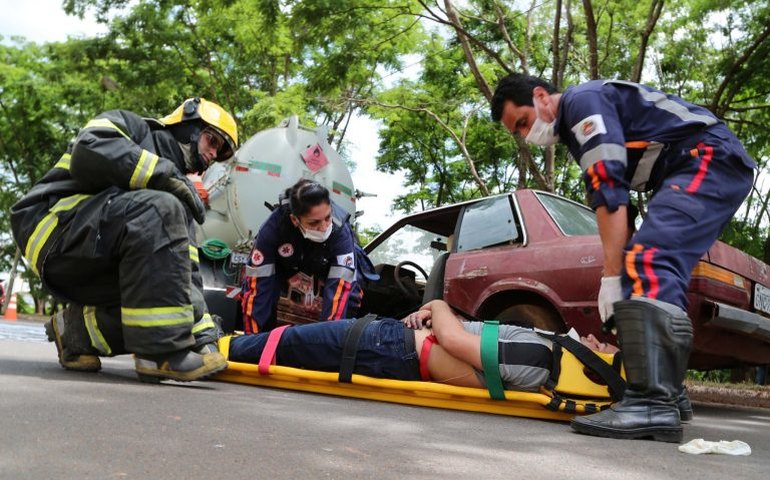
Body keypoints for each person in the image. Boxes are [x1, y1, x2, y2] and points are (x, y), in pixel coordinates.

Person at [491, 74, 756, 442]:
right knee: (650, 267)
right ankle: (668, 391)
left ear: (540, 96)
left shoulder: (582, 104)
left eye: (522, 121)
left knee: (650, 259)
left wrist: (612, 278)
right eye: (517, 132)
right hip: (698, 164)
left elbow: (609, 189)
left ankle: (651, 403)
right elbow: (618, 211)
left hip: (707, 157)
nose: (526, 134)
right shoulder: (576, 130)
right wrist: (616, 276)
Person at [11, 97, 238, 383]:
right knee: (160, 207)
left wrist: (204, 336)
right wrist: (164, 175)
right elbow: (89, 150)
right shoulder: (134, 127)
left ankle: (75, 332)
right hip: (52, 229)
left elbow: (183, 274)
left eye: (218, 153)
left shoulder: (175, 197)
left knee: (162, 302)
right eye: (212, 141)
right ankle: (161, 354)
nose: (212, 155)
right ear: (188, 125)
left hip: (95, 254)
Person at [229, 299, 619, 392]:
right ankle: (221, 344)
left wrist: (437, 306)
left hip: (388, 349)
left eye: (608, 348)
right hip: (393, 344)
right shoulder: (546, 351)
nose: (599, 339)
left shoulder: (539, 358)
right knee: (288, 343)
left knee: (287, 342)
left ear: (599, 365)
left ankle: (214, 349)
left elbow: (454, 342)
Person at [240, 179, 363, 333]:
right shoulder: (273, 228)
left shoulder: (340, 232)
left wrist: (328, 340)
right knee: (263, 300)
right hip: (284, 267)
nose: (324, 228)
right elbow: (257, 288)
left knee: (350, 300)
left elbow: (340, 293)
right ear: (294, 219)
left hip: (326, 270)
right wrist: (253, 341)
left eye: (327, 218)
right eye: (314, 223)